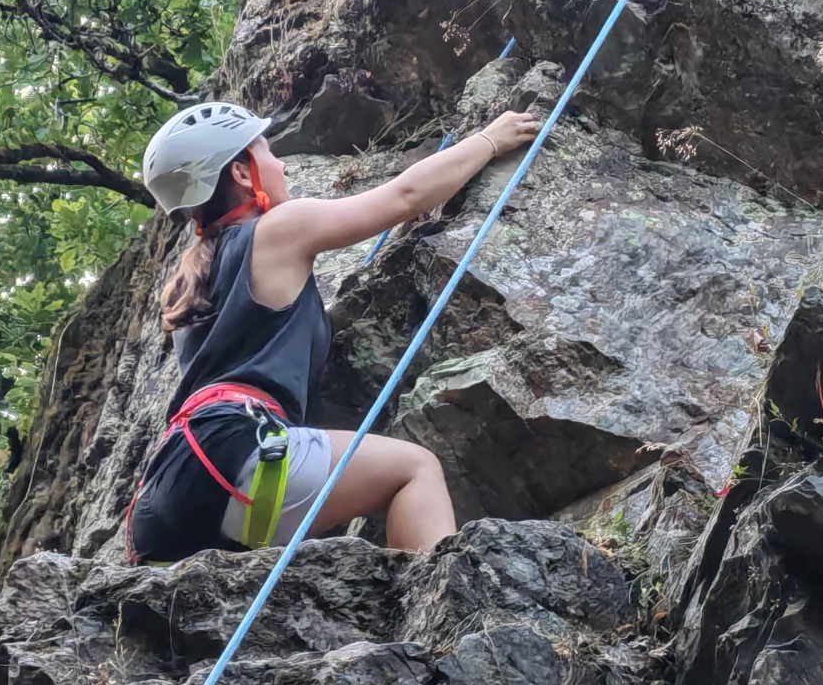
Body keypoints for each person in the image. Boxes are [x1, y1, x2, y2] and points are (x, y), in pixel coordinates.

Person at [125, 101, 540, 564]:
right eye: (267, 152)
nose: (280, 164)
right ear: (243, 174)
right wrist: (490, 139)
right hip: (236, 455)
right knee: (414, 468)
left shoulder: (188, 277)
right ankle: (441, 608)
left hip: (166, 493)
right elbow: (406, 197)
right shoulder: (280, 227)